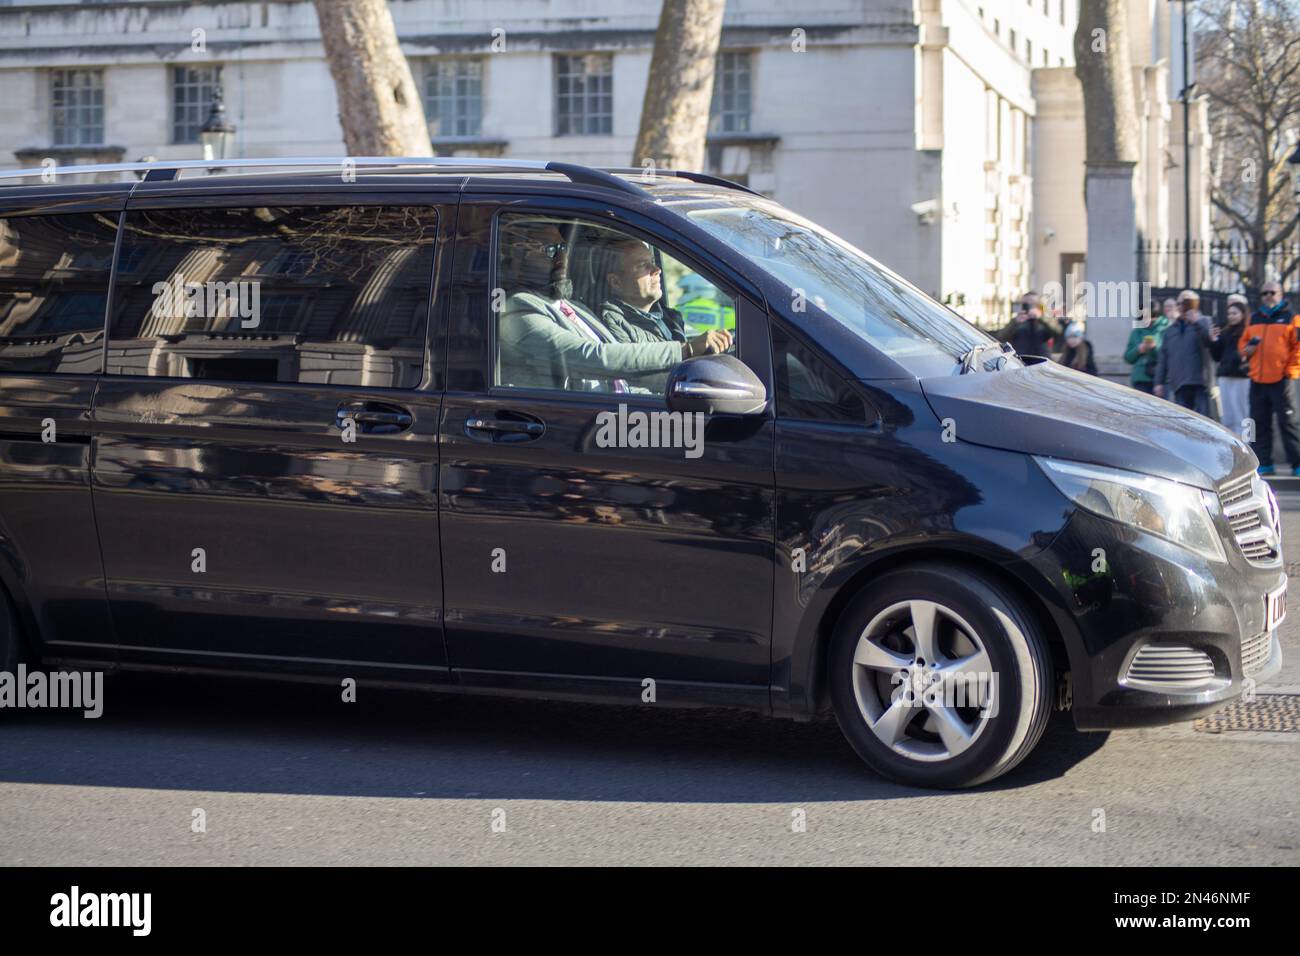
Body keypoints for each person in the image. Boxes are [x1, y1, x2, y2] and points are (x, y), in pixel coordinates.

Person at [496, 220, 730, 391]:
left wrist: (700, 379)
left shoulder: (568, 305)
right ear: (518, 258)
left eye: (562, 249)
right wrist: (686, 350)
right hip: (580, 426)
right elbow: (593, 358)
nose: (561, 258)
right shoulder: (518, 311)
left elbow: (633, 375)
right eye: (550, 250)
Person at [1240, 281, 1300, 475]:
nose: (1268, 296)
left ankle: (1297, 463)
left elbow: (1298, 346)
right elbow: (1243, 344)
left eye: (1272, 292)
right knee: (1257, 423)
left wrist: (1291, 370)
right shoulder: (1254, 318)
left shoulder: (1292, 317)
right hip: (1257, 379)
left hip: (1282, 379)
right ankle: (1263, 463)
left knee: (1289, 423)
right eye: (1264, 293)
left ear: (1281, 294)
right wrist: (1246, 350)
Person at [596, 237, 687, 344]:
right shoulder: (613, 323)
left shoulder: (670, 318)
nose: (657, 270)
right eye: (642, 265)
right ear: (616, 282)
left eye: (652, 261)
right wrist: (690, 349)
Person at [1154, 289, 1217, 416]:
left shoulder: (1205, 321)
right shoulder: (1170, 330)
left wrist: (1196, 322)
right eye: (1180, 303)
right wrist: (1158, 382)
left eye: (1187, 302)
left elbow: (1210, 343)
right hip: (1179, 384)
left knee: (1203, 422)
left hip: (1200, 383)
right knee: (1182, 423)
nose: (1183, 306)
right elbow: (1163, 358)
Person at [1210, 295, 1251, 437]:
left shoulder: (1248, 331)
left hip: (1242, 376)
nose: (1231, 317)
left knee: (1244, 413)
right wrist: (1214, 340)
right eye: (1229, 314)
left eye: (1235, 313)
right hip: (1225, 375)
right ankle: (1233, 446)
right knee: (1227, 415)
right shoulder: (1225, 332)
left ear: (1243, 314)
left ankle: (1249, 444)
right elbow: (1217, 356)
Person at [1123, 304, 1169, 393]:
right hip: (1141, 379)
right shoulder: (1136, 332)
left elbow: (1169, 357)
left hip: (1161, 380)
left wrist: (1154, 349)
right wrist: (1138, 350)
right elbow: (1128, 358)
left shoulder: (1166, 329)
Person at [995, 293, 1059, 356]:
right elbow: (1001, 338)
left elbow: (1058, 334)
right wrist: (1015, 322)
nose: (1029, 306)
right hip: (1021, 361)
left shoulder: (1046, 319)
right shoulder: (1016, 320)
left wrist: (1041, 319)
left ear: (1038, 305)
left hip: (1043, 361)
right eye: (1026, 304)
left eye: (1033, 304)